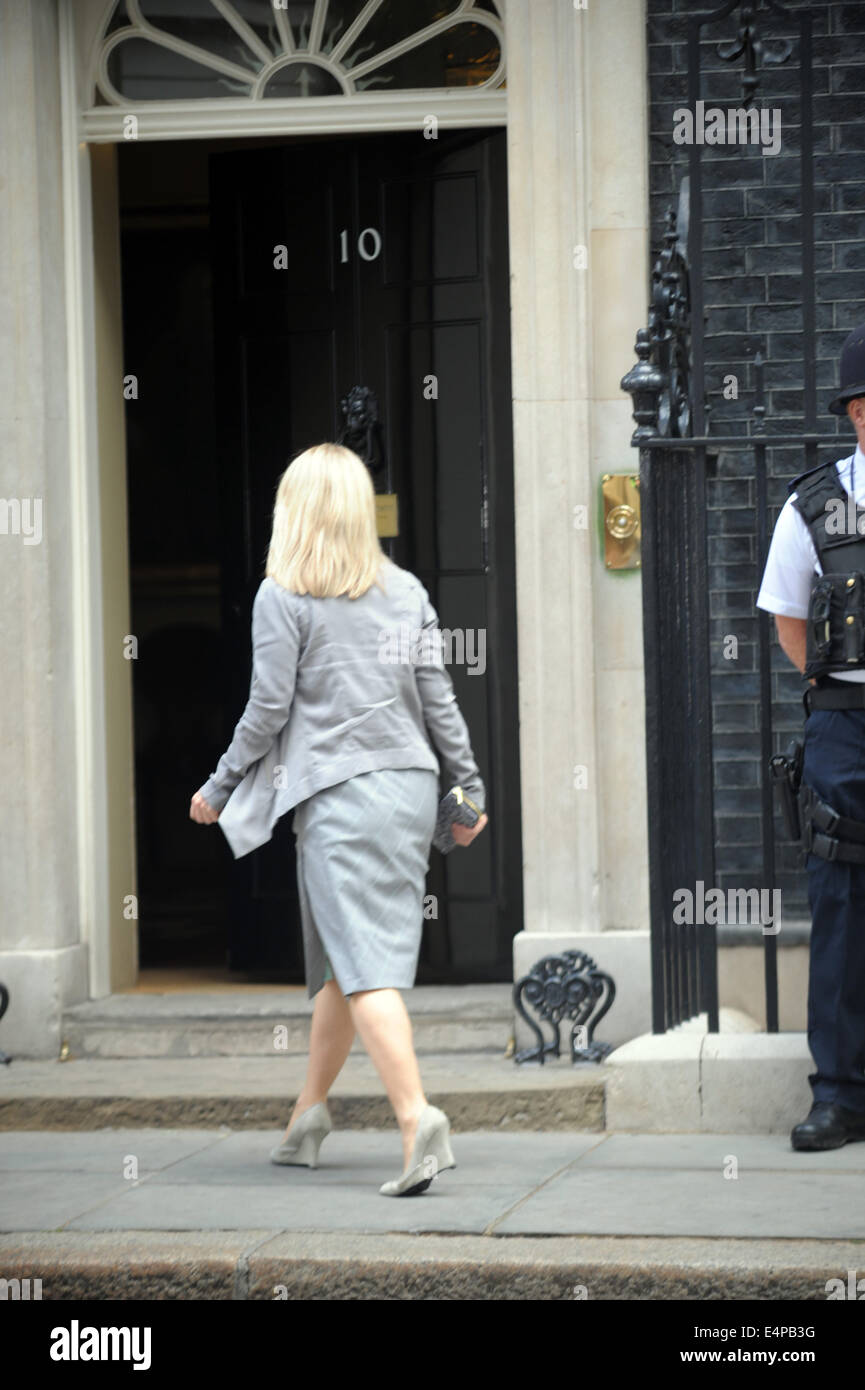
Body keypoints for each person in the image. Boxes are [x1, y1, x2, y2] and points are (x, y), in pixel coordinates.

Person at [189, 442, 488, 1194]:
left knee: (366, 970)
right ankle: (309, 1115)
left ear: (295, 511)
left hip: (339, 799)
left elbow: (267, 711)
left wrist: (220, 786)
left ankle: (418, 1119)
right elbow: (439, 702)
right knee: (337, 964)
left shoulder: (281, 595)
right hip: (408, 789)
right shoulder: (405, 590)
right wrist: (469, 789)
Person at [757, 322, 865, 1151]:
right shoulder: (809, 504)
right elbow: (788, 619)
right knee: (838, 906)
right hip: (843, 724)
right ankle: (837, 1093)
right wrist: (831, 689)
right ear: (855, 413)